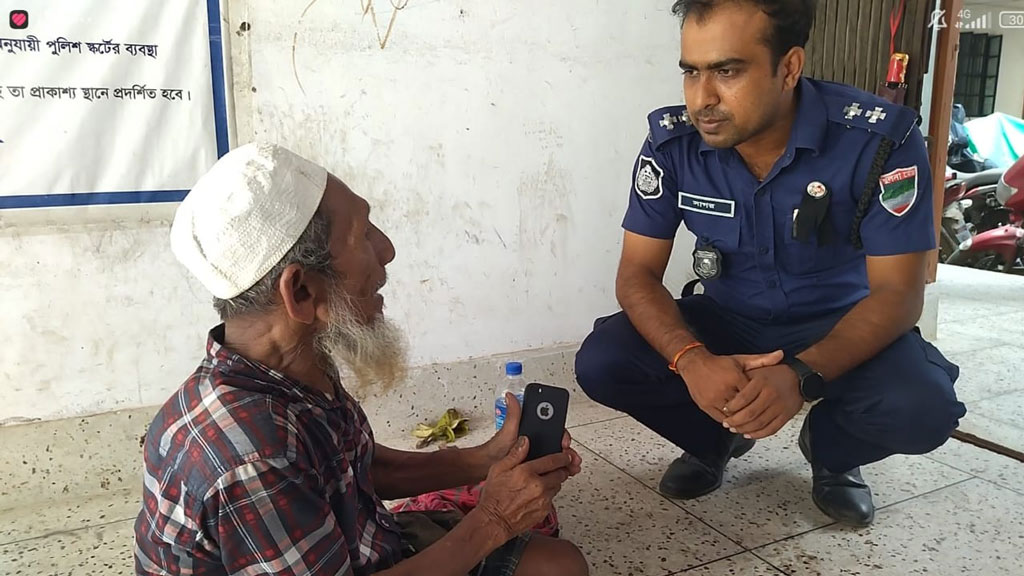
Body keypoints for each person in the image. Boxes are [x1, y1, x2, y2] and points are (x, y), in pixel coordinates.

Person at [574, 0, 966, 527]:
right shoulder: (674, 144)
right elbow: (637, 274)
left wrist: (800, 376)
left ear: (789, 67)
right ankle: (713, 440)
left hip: (838, 323)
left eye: (727, 71)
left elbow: (898, 294)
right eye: (691, 72)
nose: (702, 99)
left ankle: (833, 453)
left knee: (924, 407)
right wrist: (692, 359)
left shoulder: (877, 143)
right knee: (605, 359)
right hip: (729, 318)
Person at [134, 142, 589, 576]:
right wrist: (494, 519)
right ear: (302, 291)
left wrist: (485, 459)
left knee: (560, 565)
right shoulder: (252, 453)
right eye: (363, 235)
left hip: (358, 546)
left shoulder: (290, 363)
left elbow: (360, 468)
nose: (386, 249)